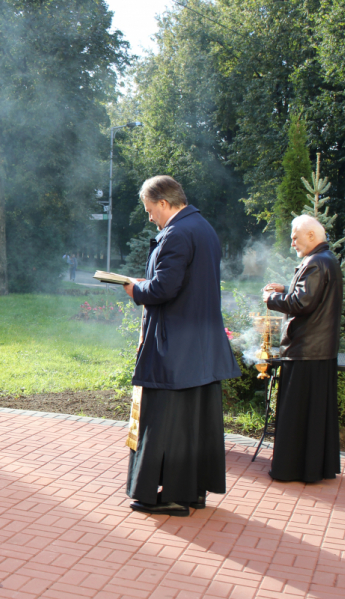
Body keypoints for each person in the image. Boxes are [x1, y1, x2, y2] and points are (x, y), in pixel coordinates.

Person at [122, 175, 240, 517]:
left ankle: (169, 496)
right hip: (201, 346)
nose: (149, 217)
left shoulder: (176, 233)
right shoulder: (203, 227)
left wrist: (136, 289)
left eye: (148, 210)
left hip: (174, 348)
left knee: (166, 422)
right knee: (195, 424)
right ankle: (193, 492)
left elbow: (164, 290)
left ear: (163, 203)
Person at [262, 215, 342, 483]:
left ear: (311, 236)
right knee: (314, 413)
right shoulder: (326, 259)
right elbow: (312, 296)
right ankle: (314, 467)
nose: (292, 243)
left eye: (295, 237)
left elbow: (302, 303)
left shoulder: (317, 262)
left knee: (296, 413)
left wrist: (272, 299)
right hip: (319, 350)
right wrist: (287, 287)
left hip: (306, 350)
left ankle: (291, 468)